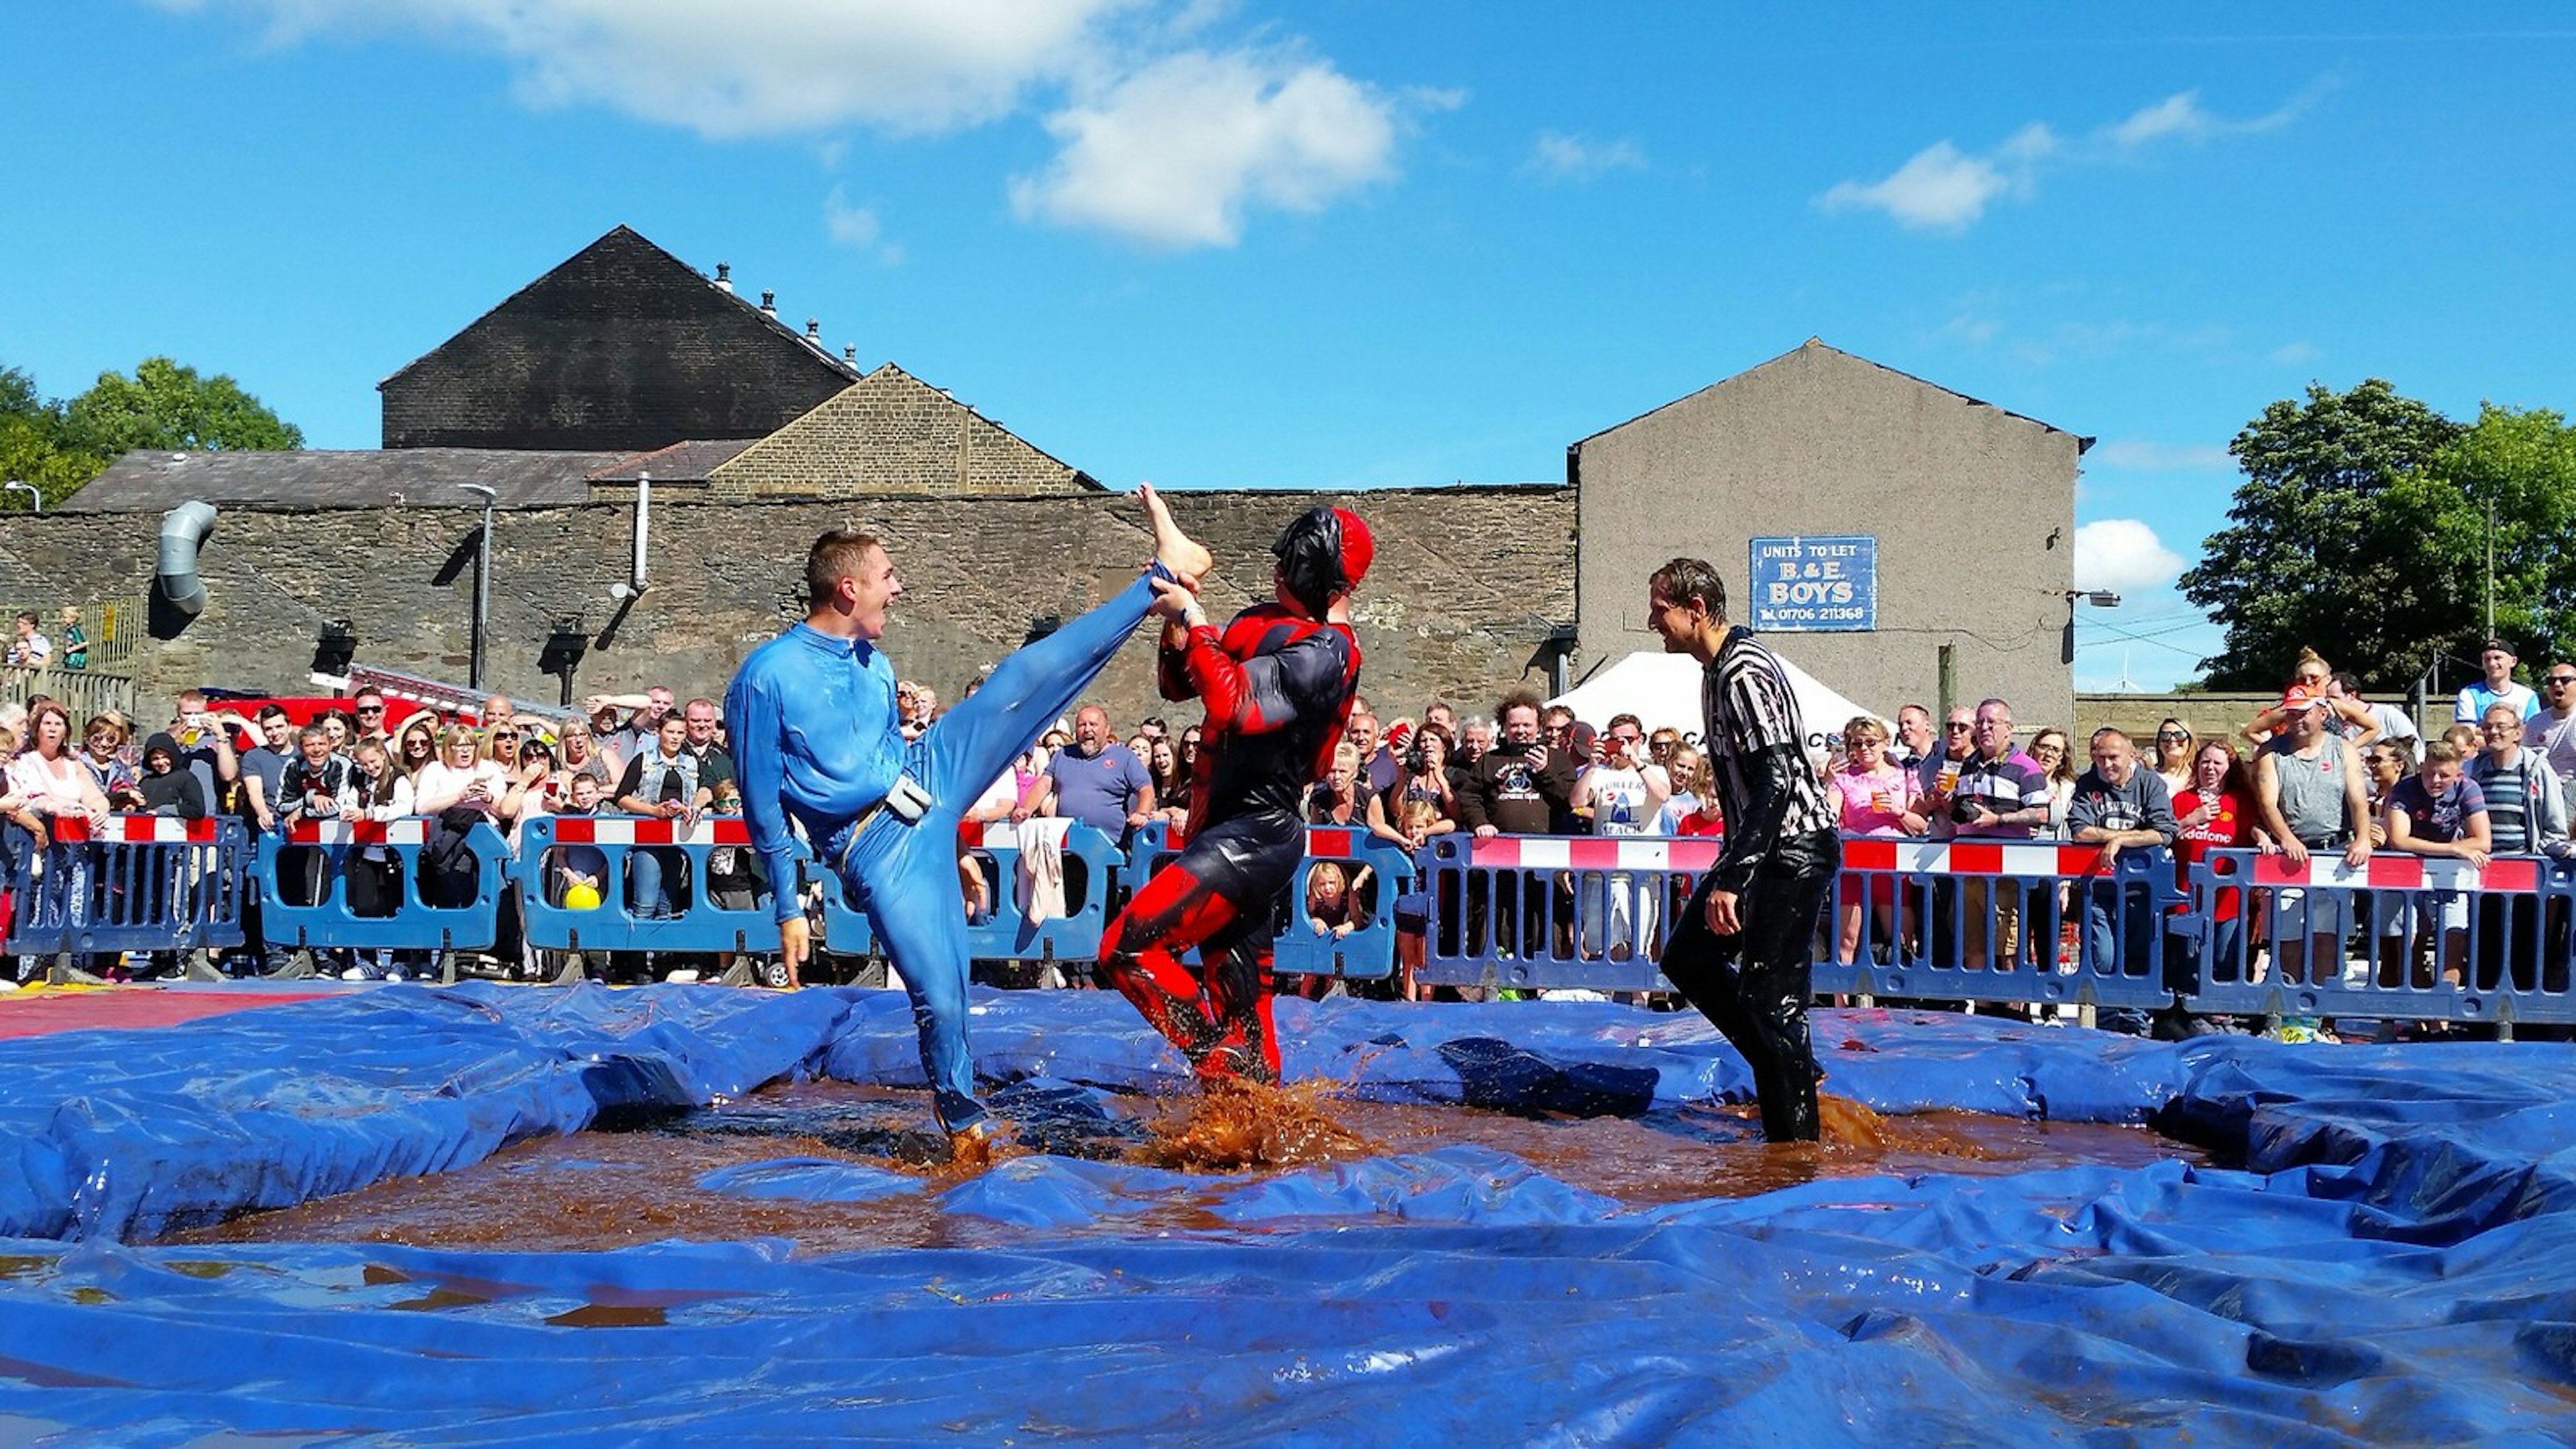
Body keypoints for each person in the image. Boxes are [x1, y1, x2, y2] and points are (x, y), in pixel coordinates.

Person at [727, 486, 1213, 1152]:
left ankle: (1159, 578)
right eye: (887, 578)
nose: (897, 589)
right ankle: (964, 1126)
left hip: (927, 783)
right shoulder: (764, 678)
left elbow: (888, 752)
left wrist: (950, 839)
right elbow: (759, 803)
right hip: (877, 847)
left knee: (1018, 682)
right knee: (942, 994)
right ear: (848, 589)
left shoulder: (875, 661)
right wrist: (786, 906)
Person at [1097, 504, 1369, 1087]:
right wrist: (1175, 620)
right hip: (1225, 829)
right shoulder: (1263, 622)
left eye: (1290, 562)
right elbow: (1178, 684)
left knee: (1127, 949)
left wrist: (1192, 613)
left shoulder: (1330, 651)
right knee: (1245, 1010)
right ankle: (1253, 1116)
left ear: (1323, 576)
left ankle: (1224, 1064)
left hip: (1257, 833)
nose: (1276, 570)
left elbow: (1235, 706)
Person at [1643, 557, 1837, 1144]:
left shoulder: (1744, 671)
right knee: (1687, 960)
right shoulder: (1718, 668)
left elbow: (1776, 778)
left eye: (1660, 612)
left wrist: (1734, 876)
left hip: (1792, 849)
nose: (1654, 624)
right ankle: (1791, 1071)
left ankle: (1796, 1146)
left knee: (1771, 1001)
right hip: (1765, 846)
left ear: (1694, 610)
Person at [2251, 686, 2371, 989]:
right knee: (2287, 941)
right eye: (2291, 714)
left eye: (2304, 713)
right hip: (2289, 856)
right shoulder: (2271, 751)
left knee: (2328, 942)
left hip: (2334, 852)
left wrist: (2364, 837)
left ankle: (2326, 1016)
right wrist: (2286, 838)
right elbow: (2267, 801)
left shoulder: (2343, 749)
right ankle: (2291, 1012)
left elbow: (2358, 798)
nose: (2298, 720)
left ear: (2322, 712)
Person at [2065, 729, 2178, 995]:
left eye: (2113, 757)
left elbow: (2165, 832)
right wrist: (2122, 837)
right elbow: (2080, 830)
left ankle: (2133, 1020)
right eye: (2100, 758)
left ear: (2132, 755)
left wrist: (2119, 842)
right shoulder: (2088, 783)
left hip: (2141, 887)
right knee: (2103, 957)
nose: (2106, 765)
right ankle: (2104, 1018)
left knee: (2138, 956)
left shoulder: (2150, 783)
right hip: (2098, 887)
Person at [2381, 740, 2491, 991]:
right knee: (2407, 947)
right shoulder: (2404, 789)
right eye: (2429, 774)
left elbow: (2483, 841)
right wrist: (2453, 848)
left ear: (2459, 774)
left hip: (2447, 876)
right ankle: (2419, 1017)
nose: (2436, 780)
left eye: (2445, 775)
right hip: (2404, 873)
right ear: (2421, 768)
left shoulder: (2468, 788)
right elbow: (2399, 839)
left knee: (2453, 941)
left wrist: (2459, 848)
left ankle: (2442, 1016)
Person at [1825, 716, 1915, 964]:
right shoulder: (1844, 778)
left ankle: (1899, 999)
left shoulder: (1903, 777)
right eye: (1856, 744)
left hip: (1894, 866)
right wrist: (1826, 783)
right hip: (1855, 864)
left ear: (1886, 743)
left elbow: (1921, 824)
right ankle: (1840, 1002)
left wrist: (1899, 812)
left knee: (1901, 941)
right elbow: (1830, 817)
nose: (1863, 749)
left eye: (1871, 742)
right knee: (1847, 940)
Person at [2457, 639, 2540, 725]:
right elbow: (2467, 732)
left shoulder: (2528, 696)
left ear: (2513, 661)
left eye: (2497, 658)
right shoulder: (2469, 694)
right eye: (2487, 659)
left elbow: (2533, 731)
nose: (2492, 663)